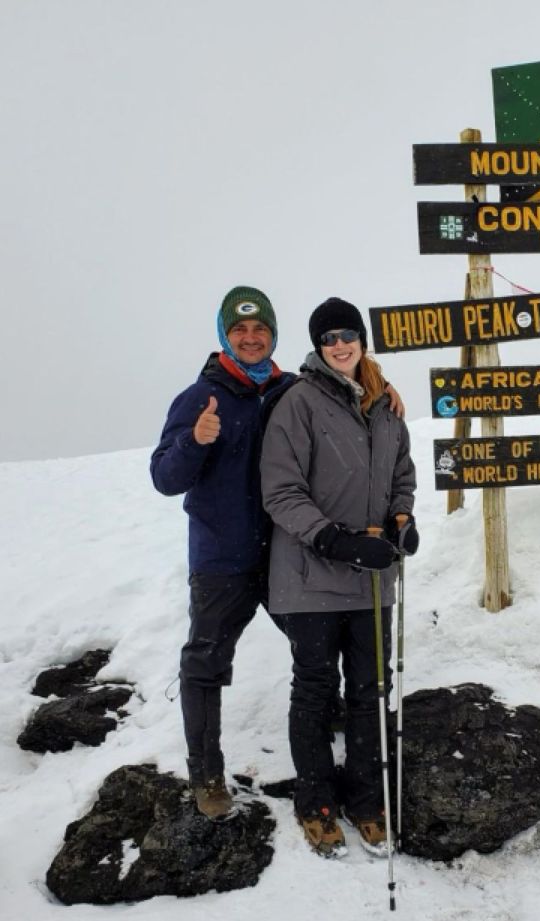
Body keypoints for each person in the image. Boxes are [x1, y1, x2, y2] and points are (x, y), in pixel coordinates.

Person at [150, 286, 405, 821]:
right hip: (222, 561)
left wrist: (384, 393)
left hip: (284, 554)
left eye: (259, 329)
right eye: (239, 330)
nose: (250, 338)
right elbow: (164, 478)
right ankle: (207, 774)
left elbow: (342, 393)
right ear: (225, 335)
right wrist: (195, 440)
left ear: (272, 336)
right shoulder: (201, 397)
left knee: (316, 655)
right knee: (207, 663)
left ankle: (329, 731)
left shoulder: (287, 388)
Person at [261, 296, 418, 859]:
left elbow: (402, 472)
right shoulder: (299, 402)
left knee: (371, 692)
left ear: (362, 340)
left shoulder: (383, 402)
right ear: (318, 347)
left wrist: (403, 520)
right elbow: (280, 491)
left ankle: (365, 799)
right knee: (316, 688)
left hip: (373, 578)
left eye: (348, 334)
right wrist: (334, 540)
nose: (340, 345)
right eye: (329, 338)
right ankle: (316, 801)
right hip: (310, 578)